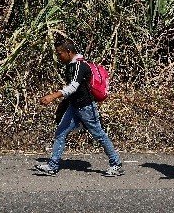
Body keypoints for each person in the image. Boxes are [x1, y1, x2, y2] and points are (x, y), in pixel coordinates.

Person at [35, 38, 124, 177]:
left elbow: (73, 87)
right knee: (60, 133)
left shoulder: (79, 66)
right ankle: (52, 166)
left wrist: (53, 96)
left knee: (99, 135)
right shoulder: (71, 66)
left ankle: (116, 164)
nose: (58, 57)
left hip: (87, 108)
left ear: (69, 52)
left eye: (60, 53)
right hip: (74, 107)